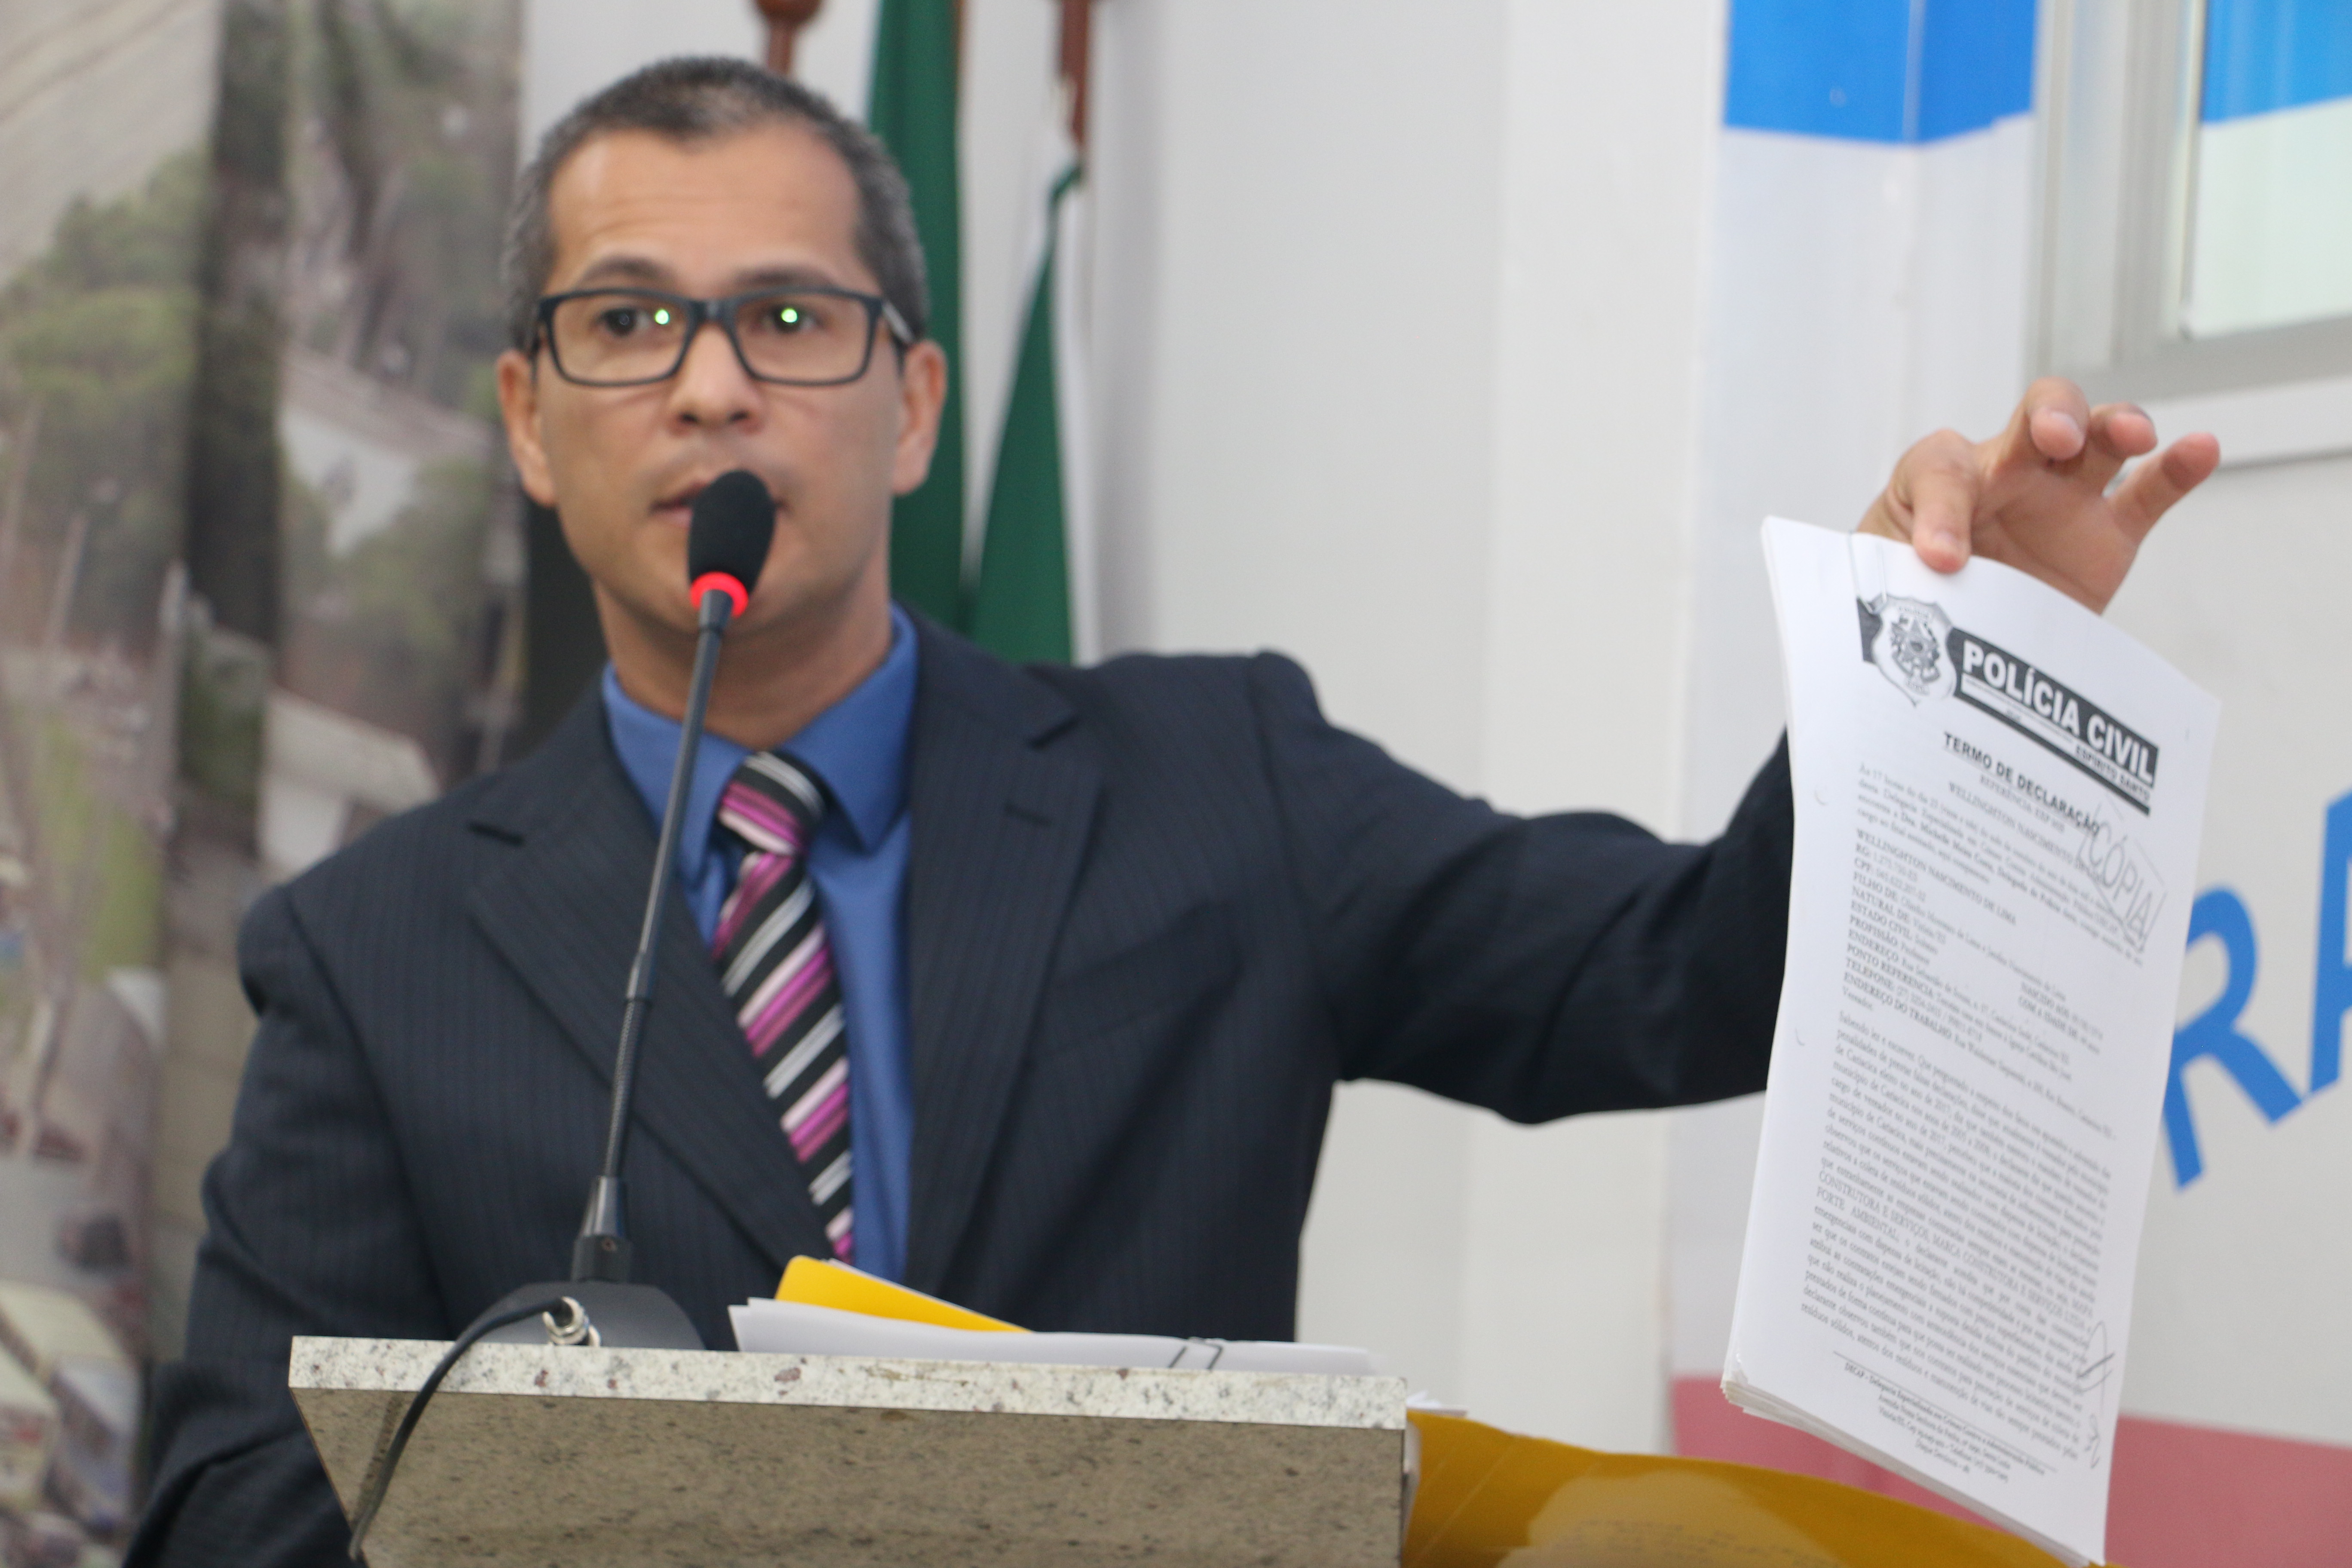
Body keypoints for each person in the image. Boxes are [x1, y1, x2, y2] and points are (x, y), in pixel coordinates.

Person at [127, 57, 2219, 1566]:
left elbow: (1679, 978)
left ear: (914, 404)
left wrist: (1947, 675)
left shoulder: (1224, 780)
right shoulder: (374, 948)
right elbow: (229, 1516)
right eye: (626, 323)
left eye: (787, 317)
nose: (707, 386)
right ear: (525, 417)